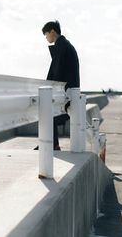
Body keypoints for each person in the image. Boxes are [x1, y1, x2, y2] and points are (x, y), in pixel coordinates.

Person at [42, 20, 80, 150]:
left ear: (52, 32)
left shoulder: (61, 46)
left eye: (46, 34)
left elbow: (57, 72)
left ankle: (52, 145)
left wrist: (48, 89)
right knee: (48, 113)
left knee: (46, 111)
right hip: (71, 92)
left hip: (67, 94)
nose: (46, 37)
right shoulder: (64, 44)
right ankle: (53, 144)